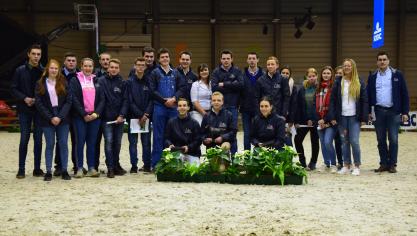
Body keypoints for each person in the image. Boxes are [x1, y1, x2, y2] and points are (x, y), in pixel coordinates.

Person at [367, 51, 409, 173]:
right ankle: (384, 163)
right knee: (380, 139)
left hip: (394, 112)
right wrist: (370, 111)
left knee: (394, 139)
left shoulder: (398, 75)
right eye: (380, 60)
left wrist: (405, 112)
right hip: (378, 111)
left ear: (388, 61)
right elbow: (369, 95)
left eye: (384, 59)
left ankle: (392, 164)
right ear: (377, 62)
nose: (382, 61)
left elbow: (404, 94)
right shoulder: (373, 76)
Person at [329, 58, 368, 176]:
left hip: (354, 117)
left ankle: (356, 166)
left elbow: (364, 100)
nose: (346, 68)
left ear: (353, 67)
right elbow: (333, 100)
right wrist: (333, 116)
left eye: (349, 66)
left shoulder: (359, 81)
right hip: (342, 117)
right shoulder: (338, 82)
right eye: (345, 66)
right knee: (344, 141)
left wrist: (363, 118)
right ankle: (346, 165)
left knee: (354, 141)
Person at [34, 59, 72, 181]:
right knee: (49, 144)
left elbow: (68, 101)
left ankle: (65, 170)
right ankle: (49, 171)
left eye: (56, 68)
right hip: (47, 118)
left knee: (63, 144)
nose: (54, 70)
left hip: (63, 117)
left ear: (58, 70)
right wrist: (51, 117)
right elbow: (39, 103)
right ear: (47, 69)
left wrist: (60, 117)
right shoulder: (40, 83)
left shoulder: (64, 82)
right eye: (51, 68)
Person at [149, 48, 186, 170]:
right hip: (159, 107)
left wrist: (174, 99)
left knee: (174, 135)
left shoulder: (176, 73)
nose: (165, 59)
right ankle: (156, 164)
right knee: (158, 136)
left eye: (167, 57)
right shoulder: (155, 73)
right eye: (162, 57)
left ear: (169, 58)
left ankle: (174, 163)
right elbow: (152, 90)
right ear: (159, 59)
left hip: (173, 108)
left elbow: (182, 88)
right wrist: (164, 101)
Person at [11, 44, 44, 179]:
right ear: (28, 55)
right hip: (24, 109)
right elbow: (13, 88)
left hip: (39, 110)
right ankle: (21, 169)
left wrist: (38, 100)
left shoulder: (43, 71)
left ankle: (37, 168)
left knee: (38, 140)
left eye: (38, 54)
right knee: (24, 138)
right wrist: (24, 98)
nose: (36, 56)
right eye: (34, 54)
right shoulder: (19, 71)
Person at [70, 58, 104, 178]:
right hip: (80, 117)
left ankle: (91, 168)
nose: (88, 68)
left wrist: (96, 113)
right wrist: (84, 114)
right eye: (85, 66)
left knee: (92, 143)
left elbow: (102, 99)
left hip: (95, 117)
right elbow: (73, 98)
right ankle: (79, 168)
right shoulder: (75, 80)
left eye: (90, 66)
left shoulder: (97, 80)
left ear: (93, 67)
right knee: (80, 142)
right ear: (81, 66)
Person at [99, 58, 129, 178]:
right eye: (112, 67)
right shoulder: (101, 81)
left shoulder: (123, 82)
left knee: (117, 144)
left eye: (116, 68)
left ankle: (116, 165)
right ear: (108, 68)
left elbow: (126, 100)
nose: (114, 69)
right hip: (106, 119)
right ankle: (110, 167)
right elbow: (101, 100)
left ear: (119, 69)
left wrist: (121, 115)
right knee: (109, 143)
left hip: (119, 119)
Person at [211, 50, 243, 154]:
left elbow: (240, 86)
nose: (226, 60)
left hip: (233, 106)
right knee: (218, 133)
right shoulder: (216, 72)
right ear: (220, 60)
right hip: (219, 108)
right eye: (224, 58)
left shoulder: (237, 71)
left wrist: (223, 84)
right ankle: (218, 159)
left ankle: (233, 159)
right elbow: (214, 88)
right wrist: (232, 85)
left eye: (228, 58)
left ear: (232, 59)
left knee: (232, 133)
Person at [54, 52, 80, 176]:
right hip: (62, 113)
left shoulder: (80, 75)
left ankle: (76, 165)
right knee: (61, 141)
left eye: (73, 60)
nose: (71, 62)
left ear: (76, 62)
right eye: (68, 60)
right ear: (64, 62)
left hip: (76, 113)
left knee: (76, 140)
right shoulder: (57, 75)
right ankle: (59, 166)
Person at [126, 57, 153, 173]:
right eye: (139, 65)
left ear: (145, 67)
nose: (141, 67)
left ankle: (147, 164)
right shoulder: (129, 82)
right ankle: (133, 166)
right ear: (135, 66)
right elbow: (129, 100)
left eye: (143, 65)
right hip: (133, 117)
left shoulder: (149, 81)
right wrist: (139, 115)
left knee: (146, 143)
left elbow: (152, 99)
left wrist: (146, 114)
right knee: (133, 143)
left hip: (146, 117)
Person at [293, 68, 319, 170]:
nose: (311, 78)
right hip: (304, 120)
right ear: (306, 77)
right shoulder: (302, 89)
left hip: (315, 120)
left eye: (313, 76)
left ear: (316, 76)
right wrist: (297, 121)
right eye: (309, 76)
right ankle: (302, 162)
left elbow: (317, 106)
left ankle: (313, 162)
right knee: (297, 140)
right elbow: (298, 105)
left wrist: (313, 119)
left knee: (315, 142)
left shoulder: (319, 88)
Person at [165, 98, 202, 164]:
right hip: (177, 153)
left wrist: (188, 147)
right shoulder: (171, 122)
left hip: (192, 153)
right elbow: (167, 138)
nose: (182, 108)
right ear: (177, 108)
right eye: (180, 106)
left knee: (195, 172)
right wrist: (169, 144)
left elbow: (198, 141)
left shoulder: (195, 123)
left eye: (184, 105)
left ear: (188, 108)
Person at [315, 66, 337, 173]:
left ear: (331, 75)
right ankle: (326, 163)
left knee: (328, 142)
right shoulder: (318, 88)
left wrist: (326, 119)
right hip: (320, 121)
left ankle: (333, 163)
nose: (326, 75)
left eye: (328, 73)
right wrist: (319, 119)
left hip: (330, 121)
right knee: (323, 143)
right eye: (324, 73)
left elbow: (334, 106)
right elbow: (315, 105)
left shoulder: (334, 88)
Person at [240, 52, 264, 150]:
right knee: (247, 133)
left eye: (254, 58)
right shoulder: (242, 75)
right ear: (247, 60)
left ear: (257, 60)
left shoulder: (263, 75)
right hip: (245, 109)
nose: (252, 60)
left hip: (259, 109)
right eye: (250, 58)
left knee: (258, 133)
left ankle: (256, 157)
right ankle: (246, 157)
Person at [93, 52, 111, 172]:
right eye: (103, 59)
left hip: (108, 115)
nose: (105, 61)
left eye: (107, 59)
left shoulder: (114, 75)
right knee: (95, 141)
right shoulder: (94, 76)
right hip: (96, 114)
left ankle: (112, 165)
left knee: (110, 142)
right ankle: (94, 165)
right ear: (99, 62)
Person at [280, 65, 296, 146]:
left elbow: (293, 104)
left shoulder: (294, 87)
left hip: (288, 117)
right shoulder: (277, 85)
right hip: (278, 116)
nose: (285, 74)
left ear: (290, 75)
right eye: (283, 73)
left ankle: (289, 158)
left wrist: (291, 120)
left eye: (287, 73)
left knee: (288, 139)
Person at [333, 65, 344, 168]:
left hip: (345, 116)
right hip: (336, 117)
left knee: (345, 140)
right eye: (337, 73)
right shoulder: (333, 85)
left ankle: (347, 161)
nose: (338, 75)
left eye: (341, 73)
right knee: (337, 140)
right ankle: (340, 161)